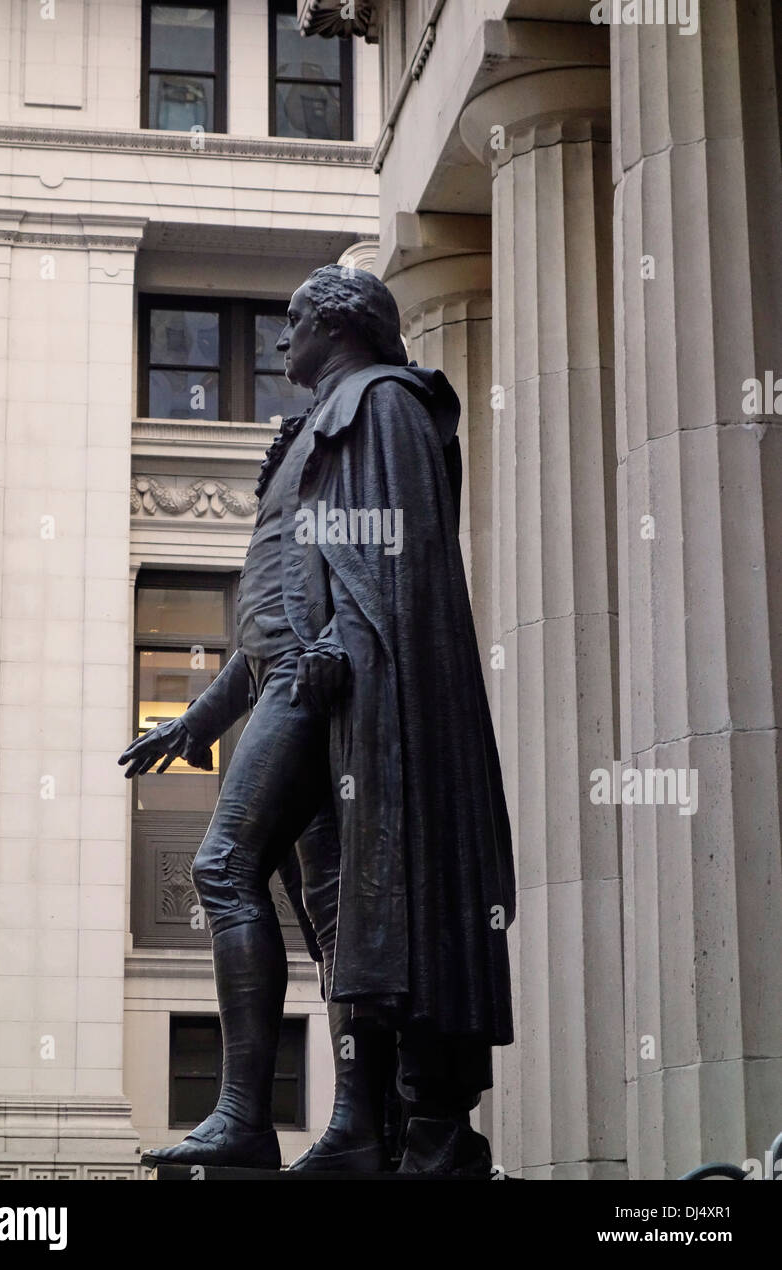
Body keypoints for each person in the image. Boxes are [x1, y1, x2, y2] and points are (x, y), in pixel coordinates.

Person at [119, 265, 515, 1176]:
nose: (278, 339)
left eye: (292, 321)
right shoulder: (315, 426)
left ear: (338, 327)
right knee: (345, 922)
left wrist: (345, 635)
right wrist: (198, 720)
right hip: (304, 682)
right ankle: (360, 1128)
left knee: (224, 866)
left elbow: (403, 548)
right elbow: (270, 616)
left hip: (335, 683)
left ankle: (244, 1118)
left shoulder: (384, 402)